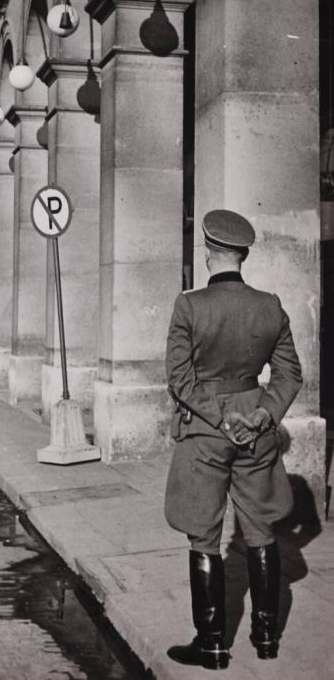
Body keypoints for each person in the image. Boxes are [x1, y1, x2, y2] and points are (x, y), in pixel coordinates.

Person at [164, 209, 302, 670]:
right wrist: (262, 414)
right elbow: (289, 374)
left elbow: (180, 381)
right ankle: (266, 639)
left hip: (206, 430)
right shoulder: (270, 305)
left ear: (209, 254)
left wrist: (221, 420)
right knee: (260, 528)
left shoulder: (189, 305)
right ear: (242, 255)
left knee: (204, 534)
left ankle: (212, 645)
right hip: (256, 427)